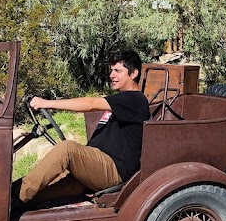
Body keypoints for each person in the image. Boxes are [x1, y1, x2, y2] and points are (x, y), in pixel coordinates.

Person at [17, 51, 150, 206]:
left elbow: (90, 104)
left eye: (117, 71)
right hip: (98, 166)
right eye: (111, 70)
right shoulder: (122, 101)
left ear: (133, 73)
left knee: (67, 149)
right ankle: (12, 198)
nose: (111, 75)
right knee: (42, 194)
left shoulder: (134, 99)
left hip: (114, 170)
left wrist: (47, 103)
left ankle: (13, 199)